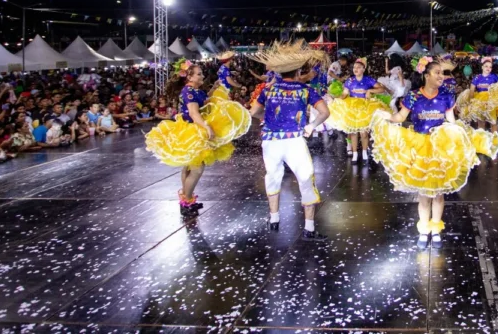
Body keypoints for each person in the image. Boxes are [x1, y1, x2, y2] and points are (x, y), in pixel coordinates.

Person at [370, 60, 483, 248]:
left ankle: (436, 230)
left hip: (440, 147)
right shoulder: (413, 96)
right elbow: (400, 117)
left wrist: (461, 138)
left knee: (438, 193)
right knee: (424, 194)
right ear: (427, 75)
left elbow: (451, 122)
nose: (441, 76)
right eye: (438, 72)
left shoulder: (447, 96)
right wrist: (385, 116)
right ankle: (424, 230)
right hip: (420, 148)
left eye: (443, 73)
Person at [144, 59, 251, 216]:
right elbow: (194, 113)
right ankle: (186, 201)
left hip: (193, 129)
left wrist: (213, 90)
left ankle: (187, 201)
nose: (202, 76)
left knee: (189, 166)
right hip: (191, 130)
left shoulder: (196, 90)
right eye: (199, 74)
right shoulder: (188, 92)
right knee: (196, 168)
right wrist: (206, 127)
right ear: (190, 77)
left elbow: (204, 102)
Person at [248, 42, 330, 241]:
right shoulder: (305, 90)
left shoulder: (267, 90)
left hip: (270, 141)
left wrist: (265, 120)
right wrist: (311, 126)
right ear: (298, 71)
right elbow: (325, 112)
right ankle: (309, 228)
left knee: (273, 176)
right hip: (294, 141)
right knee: (305, 179)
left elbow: (253, 112)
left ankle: (274, 219)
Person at [329, 57, 387, 162]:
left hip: (365, 108)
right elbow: (344, 94)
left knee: (364, 133)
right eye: (354, 67)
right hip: (352, 107)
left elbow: (382, 89)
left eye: (359, 67)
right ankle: (355, 153)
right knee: (354, 133)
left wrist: (370, 90)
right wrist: (337, 100)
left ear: (363, 69)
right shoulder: (350, 81)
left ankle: (364, 152)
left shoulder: (368, 79)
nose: (355, 69)